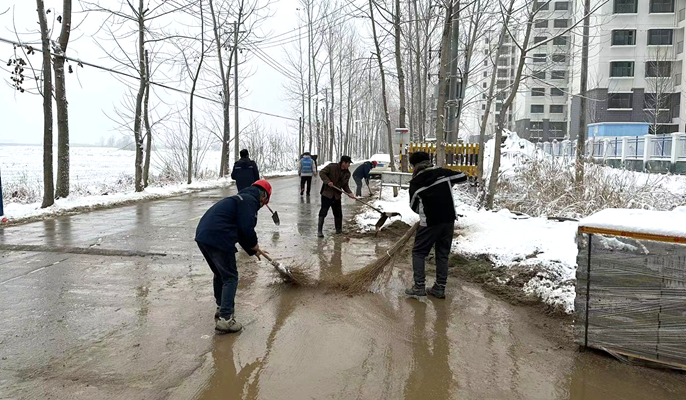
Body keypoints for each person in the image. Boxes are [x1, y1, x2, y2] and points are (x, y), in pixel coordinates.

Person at [195, 179, 272, 333]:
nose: (262, 205)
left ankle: (221, 308)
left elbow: (240, 232)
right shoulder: (249, 202)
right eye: (264, 202)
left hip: (203, 236)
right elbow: (246, 228)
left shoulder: (240, 199)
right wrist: (254, 243)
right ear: (263, 196)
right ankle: (226, 319)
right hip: (219, 237)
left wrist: (253, 250)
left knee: (220, 274)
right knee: (230, 277)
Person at [405, 151, 467, 299]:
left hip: (430, 223)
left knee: (419, 252)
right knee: (442, 254)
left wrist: (424, 212)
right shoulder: (442, 173)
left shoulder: (415, 183)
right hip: (448, 220)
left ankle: (419, 286)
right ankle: (439, 288)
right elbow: (463, 176)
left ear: (414, 165)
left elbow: (413, 206)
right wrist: (449, 182)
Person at [318, 156, 356, 237]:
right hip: (327, 194)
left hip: (337, 196)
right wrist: (328, 181)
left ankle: (339, 231)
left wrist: (349, 193)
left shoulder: (347, 173)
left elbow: (345, 185)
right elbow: (321, 173)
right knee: (323, 212)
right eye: (348, 163)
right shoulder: (332, 167)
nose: (349, 165)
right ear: (343, 162)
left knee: (338, 214)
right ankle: (319, 231)